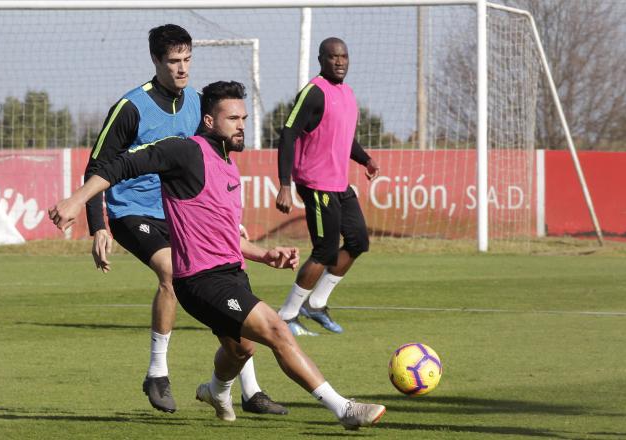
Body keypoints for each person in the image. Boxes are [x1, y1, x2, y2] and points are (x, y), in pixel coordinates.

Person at [49, 81, 386, 430]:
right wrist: (78, 201)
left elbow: (222, 237)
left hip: (231, 273)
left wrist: (265, 255)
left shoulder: (228, 167)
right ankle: (343, 408)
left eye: (244, 117)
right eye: (232, 118)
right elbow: (119, 165)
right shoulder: (184, 152)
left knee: (241, 350)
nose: (242, 125)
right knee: (275, 329)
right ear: (209, 121)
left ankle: (214, 390)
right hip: (201, 281)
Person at [84, 24, 285, 415]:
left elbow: (212, 161)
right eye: (173, 61)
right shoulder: (131, 107)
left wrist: (225, 216)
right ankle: (157, 372)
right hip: (132, 212)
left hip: (180, 214)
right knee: (173, 272)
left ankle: (250, 390)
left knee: (229, 278)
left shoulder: (197, 104)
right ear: (156, 61)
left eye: (187, 59)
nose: (182, 68)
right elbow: (99, 165)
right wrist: (98, 226)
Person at [275, 38, 380, 336]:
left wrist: (366, 159)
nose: (340, 62)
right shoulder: (313, 92)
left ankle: (316, 304)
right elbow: (288, 134)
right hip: (316, 184)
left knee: (358, 241)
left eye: (344, 56)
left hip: (339, 184)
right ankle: (286, 315)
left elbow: (344, 138)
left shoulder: (347, 94)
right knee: (325, 251)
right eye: (333, 57)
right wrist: (285, 184)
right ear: (321, 59)